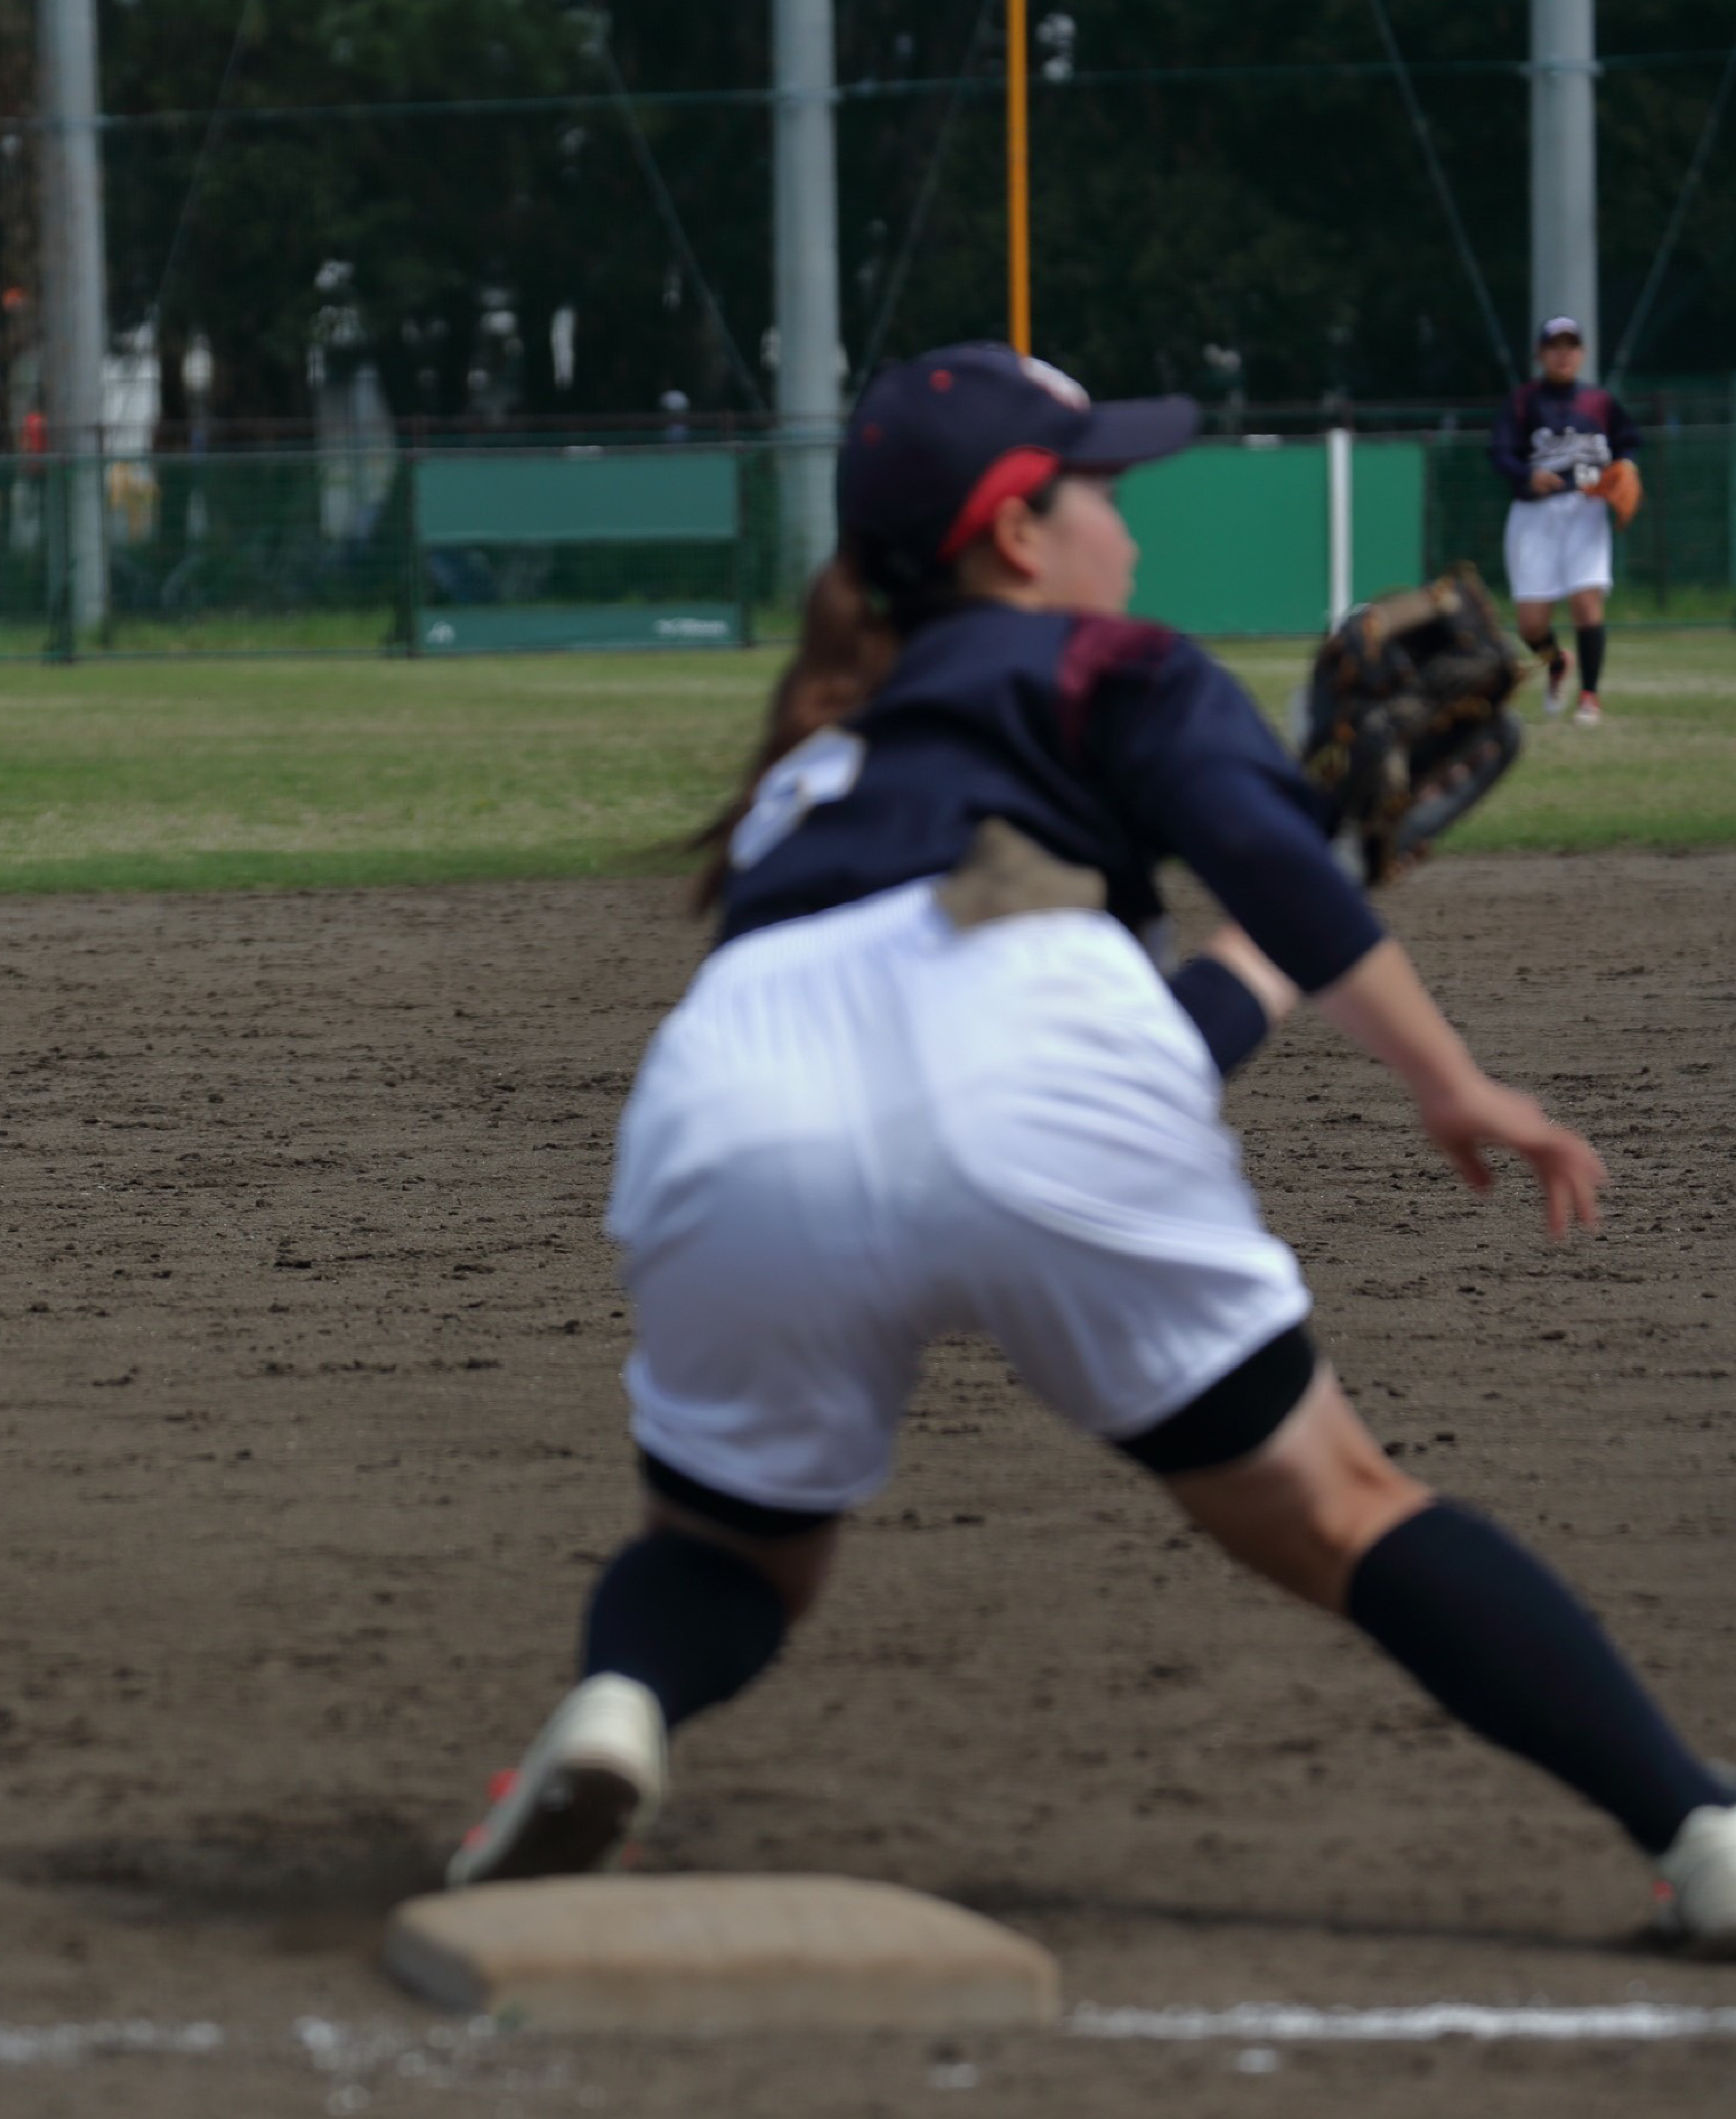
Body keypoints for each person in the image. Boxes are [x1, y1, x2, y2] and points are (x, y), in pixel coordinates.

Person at [447, 344, 1736, 1952]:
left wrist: (1290, 909)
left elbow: (1030, 1026)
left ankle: (618, 1708)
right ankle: (1702, 1831)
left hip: (732, 1090)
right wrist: (1449, 1075)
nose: (1127, 522)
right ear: (1014, 538)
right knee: (1336, 1504)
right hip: (1045, 1063)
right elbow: (1159, 958)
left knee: (726, 1546)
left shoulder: (818, 764)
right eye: (1101, 488)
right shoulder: (1109, 665)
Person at [1491, 315, 1639, 728]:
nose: (1563, 353)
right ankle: (1557, 662)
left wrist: (1627, 465)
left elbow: (1629, 441)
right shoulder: (1523, 401)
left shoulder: (1600, 402)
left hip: (1586, 511)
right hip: (1535, 513)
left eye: (1571, 345)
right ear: (1541, 354)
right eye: (1555, 345)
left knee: (1586, 604)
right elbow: (1499, 453)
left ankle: (1589, 697)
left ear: (1582, 353)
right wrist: (1526, 474)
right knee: (1531, 622)